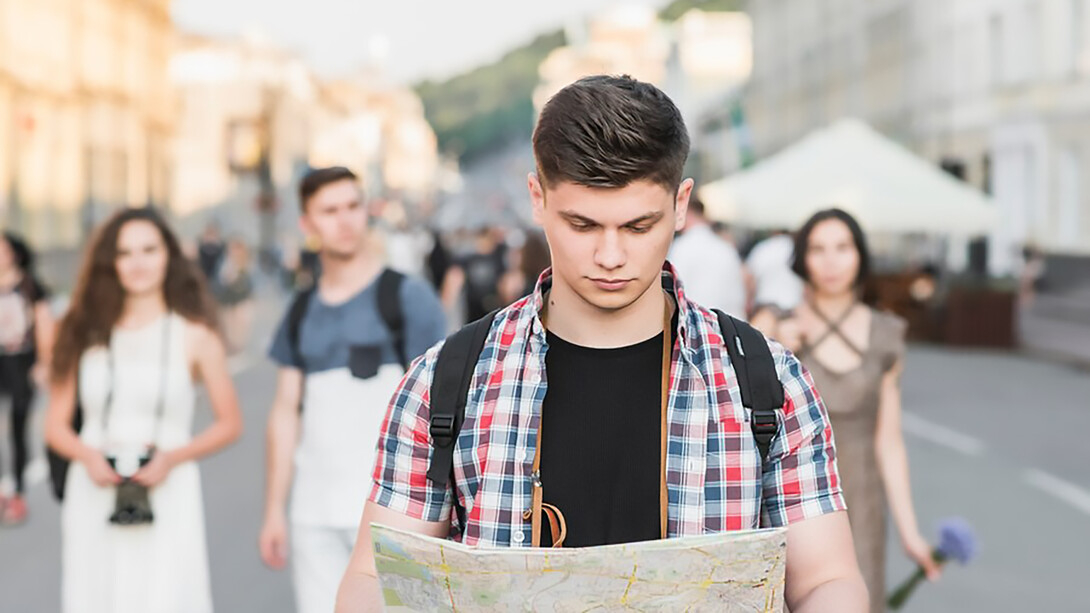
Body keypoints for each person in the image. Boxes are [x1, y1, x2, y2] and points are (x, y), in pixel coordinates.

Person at [336, 76, 867, 611]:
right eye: (582, 225)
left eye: (638, 227)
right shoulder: (446, 380)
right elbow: (375, 577)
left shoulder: (766, 381)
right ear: (538, 199)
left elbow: (827, 581)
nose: (610, 257)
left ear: (681, 204)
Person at [259, 166, 447, 613]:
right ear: (306, 223)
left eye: (352, 206)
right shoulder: (300, 311)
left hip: (394, 515)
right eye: (329, 211)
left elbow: (444, 407)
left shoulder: (408, 297)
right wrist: (274, 509)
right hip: (314, 515)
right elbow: (285, 413)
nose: (345, 220)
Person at [44, 207, 243, 613]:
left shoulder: (196, 334)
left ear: (169, 255)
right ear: (110, 262)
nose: (138, 262)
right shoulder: (81, 331)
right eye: (125, 252)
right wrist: (88, 456)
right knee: (96, 596)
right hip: (95, 487)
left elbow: (230, 423)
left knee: (164, 596)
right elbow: (55, 426)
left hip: (169, 486)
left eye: (149, 250)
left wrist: (172, 457)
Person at [750, 208, 941, 612]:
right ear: (802, 258)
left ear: (860, 255)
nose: (831, 261)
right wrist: (775, 344)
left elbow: (889, 442)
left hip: (862, 498)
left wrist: (910, 534)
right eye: (818, 249)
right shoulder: (773, 324)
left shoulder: (886, 334)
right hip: (791, 499)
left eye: (842, 247)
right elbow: (739, 415)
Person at [0, 232, 55, 524]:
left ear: (14, 254)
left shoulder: (30, 287)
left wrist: (43, 363)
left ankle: (18, 493)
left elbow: (45, 325)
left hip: (22, 362)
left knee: (18, 426)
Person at [668, 197, 747, 317]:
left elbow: (674, 289)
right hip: (729, 321)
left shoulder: (682, 247)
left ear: (685, 212)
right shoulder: (725, 248)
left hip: (696, 320)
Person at [440, 225, 508, 323]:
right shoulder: (467, 259)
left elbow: (505, 284)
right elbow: (452, 284)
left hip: (494, 309)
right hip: (473, 311)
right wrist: (444, 309)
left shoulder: (499, 257)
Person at [746, 229, 804, 316]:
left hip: (765, 305)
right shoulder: (797, 248)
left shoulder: (762, 248)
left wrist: (749, 300)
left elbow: (749, 277)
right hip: (793, 304)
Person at [215, 238, 255, 354]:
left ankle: (237, 345)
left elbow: (251, 282)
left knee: (241, 323)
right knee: (228, 323)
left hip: (242, 297)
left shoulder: (247, 263)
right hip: (228, 298)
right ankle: (230, 344)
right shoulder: (225, 262)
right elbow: (220, 279)